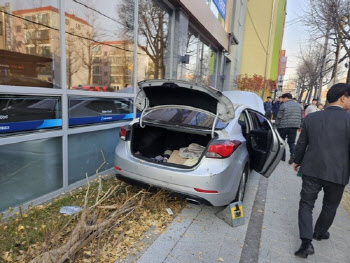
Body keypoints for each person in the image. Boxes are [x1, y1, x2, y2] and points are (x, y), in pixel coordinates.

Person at [293, 83, 350, 258]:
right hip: (338, 173)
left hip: (311, 169)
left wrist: (297, 161)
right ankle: (319, 232)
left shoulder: (312, 118)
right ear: (343, 98)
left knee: (306, 204)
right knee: (330, 205)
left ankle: (305, 243)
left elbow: (302, 143)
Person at [275, 93, 303, 164]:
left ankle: (282, 157)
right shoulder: (299, 105)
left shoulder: (283, 105)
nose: (283, 100)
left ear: (286, 98)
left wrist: (276, 125)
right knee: (292, 142)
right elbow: (301, 117)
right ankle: (293, 154)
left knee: (282, 141)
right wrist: (300, 126)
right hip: (294, 126)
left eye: (283, 99)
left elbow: (279, 117)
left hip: (283, 126)